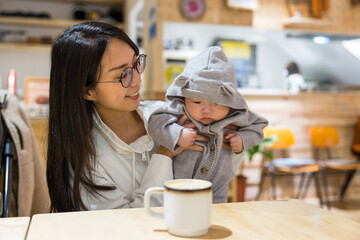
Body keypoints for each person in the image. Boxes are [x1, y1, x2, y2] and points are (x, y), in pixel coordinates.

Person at [46, 21, 204, 212]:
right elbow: (126, 223)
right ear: (87, 91)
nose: (138, 79)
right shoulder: (84, 158)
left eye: (137, 64)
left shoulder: (165, 114)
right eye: (122, 74)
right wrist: (164, 154)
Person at [148, 46, 268, 203]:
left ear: (230, 102)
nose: (206, 110)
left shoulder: (236, 115)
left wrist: (243, 138)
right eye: (197, 101)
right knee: (179, 213)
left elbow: (258, 126)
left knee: (216, 216)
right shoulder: (179, 108)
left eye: (217, 103)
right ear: (185, 97)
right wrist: (177, 134)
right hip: (177, 185)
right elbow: (155, 121)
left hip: (217, 188)